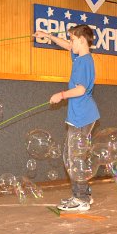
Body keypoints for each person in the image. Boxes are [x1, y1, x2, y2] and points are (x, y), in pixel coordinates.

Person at [33, 25, 100, 212]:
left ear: (82, 40)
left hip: (82, 116)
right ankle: (83, 194)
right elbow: (67, 46)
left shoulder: (85, 62)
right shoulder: (79, 57)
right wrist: (47, 36)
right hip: (79, 114)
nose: (70, 43)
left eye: (72, 39)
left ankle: (81, 199)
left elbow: (80, 89)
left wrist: (61, 95)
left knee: (75, 158)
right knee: (75, 157)